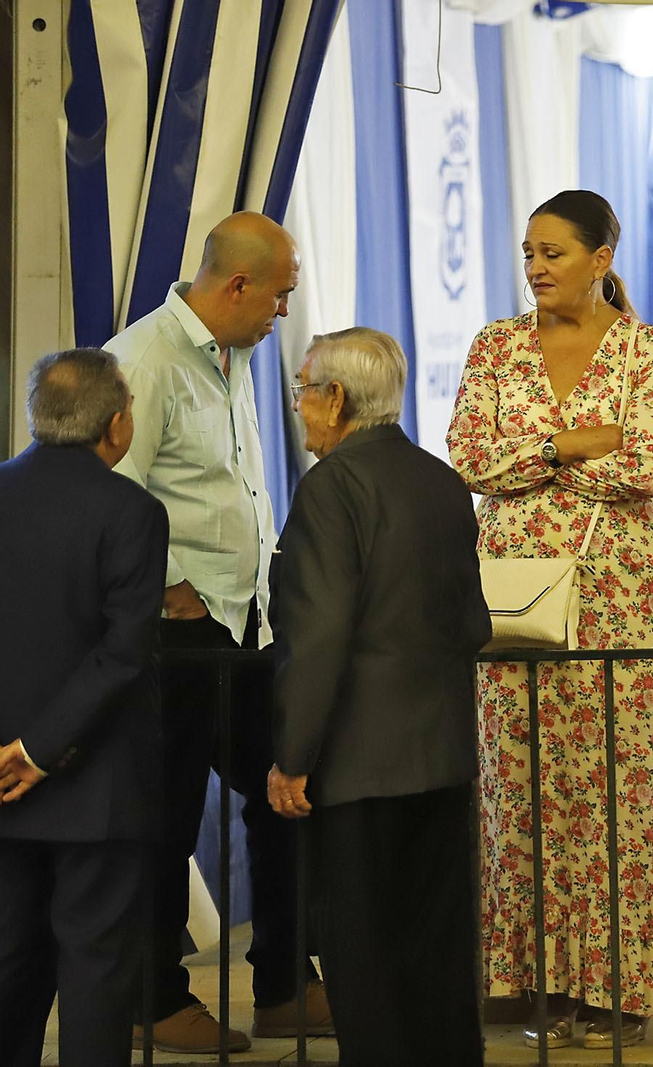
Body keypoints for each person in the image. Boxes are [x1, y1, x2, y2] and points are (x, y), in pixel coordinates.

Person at [447, 189, 653, 1050]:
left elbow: (647, 467)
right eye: (528, 252)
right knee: (523, 789)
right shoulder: (495, 345)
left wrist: (536, 465)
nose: (536, 267)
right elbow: (469, 458)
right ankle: (538, 979)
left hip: (621, 595)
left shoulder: (647, 350)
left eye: (552, 252)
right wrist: (567, 445)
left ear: (601, 259)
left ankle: (620, 983)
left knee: (624, 788)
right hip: (513, 596)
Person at [107, 210, 328, 1051]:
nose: (284, 312)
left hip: (246, 624)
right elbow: (113, 495)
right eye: (280, 296)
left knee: (287, 788)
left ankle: (283, 984)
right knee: (164, 817)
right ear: (237, 285)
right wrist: (171, 589)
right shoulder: (144, 359)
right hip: (178, 635)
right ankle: (152, 999)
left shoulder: (232, 352)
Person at [267, 328, 489, 1066]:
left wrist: (293, 757)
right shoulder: (442, 481)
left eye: (303, 390)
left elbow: (318, 636)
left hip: (359, 766)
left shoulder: (330, 487)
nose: (297, 406)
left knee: (365, 962)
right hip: (444, 755)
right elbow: (475, 623)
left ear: (335, 398)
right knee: (438, 953)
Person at [0, 350, 166, 1067]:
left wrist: (15, 751)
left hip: (0, 784)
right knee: (97, 975)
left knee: (7, 964)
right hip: (98, 788)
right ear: (116, 423)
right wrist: (39, 749)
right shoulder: (133, 511)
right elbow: (123, 653)